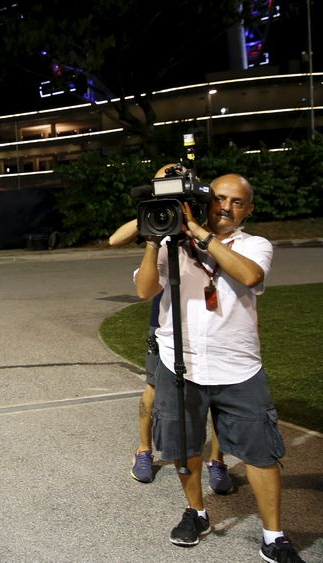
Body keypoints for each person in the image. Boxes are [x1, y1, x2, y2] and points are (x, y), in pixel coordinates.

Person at [133, 173, 304, 562]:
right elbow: (144, 290)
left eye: (236, 202)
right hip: (180, 364)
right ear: (207, 200)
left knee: (261, 452)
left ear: (249, 209)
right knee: (185, 447)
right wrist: (153, 240)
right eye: (220, 198)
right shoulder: (172, 245)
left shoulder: (254, 245)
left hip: (238, 367)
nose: (226, 207)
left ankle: (274, 536)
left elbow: (250, 275)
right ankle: (196, 513)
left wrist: (199, 232)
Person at [109, 168, 232, 492]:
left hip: (209, 314)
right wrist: (153, 211)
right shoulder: (157, 217)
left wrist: (189, 214)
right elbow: (115, 240)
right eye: (160, 184)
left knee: (218, 391)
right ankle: (144, 450)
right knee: (154, 385)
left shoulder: (202, 213)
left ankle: (217, 460)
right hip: (164, 312)